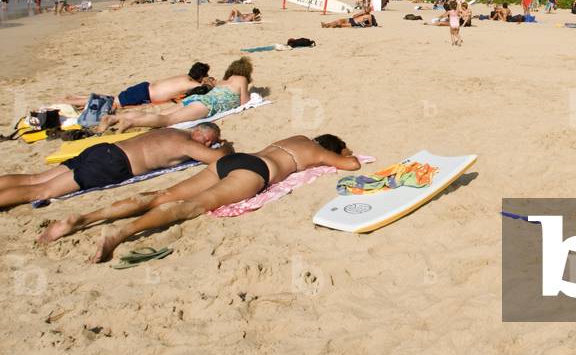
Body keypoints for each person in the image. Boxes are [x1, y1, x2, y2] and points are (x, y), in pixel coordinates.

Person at [37, 134, 360, 262]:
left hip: (230, 161)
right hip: (255, 171)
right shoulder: (317, 151)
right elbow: (350, 164)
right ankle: (120, 233)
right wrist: (341, 154)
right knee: (187, 208)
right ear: (328, 145)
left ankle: (85, 218)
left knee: (160, 195)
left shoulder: (296, 138)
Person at [0, 125, 225, 209]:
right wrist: (225, 148)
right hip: (112, 163)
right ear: (198, 132)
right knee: (41, 191)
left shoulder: (172, 131)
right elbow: (217, 159)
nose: (208, 144)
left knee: (35, 179)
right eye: (208, 139)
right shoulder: (185, 143)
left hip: (103, 149)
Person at [98, 57, 253, 132]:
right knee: (167, 120)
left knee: (163, 112)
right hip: (207, 105)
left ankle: (115, 118)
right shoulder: (242, 79)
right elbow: (244, 102)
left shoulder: (221, 81)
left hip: (197, 98)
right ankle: (129, 122)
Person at [64, 62, 214, 110]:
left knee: (114, 99)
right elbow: (208, 87)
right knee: (112, 103)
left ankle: (78, 98)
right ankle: (73, 101)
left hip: (144, 87)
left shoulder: (183, 77)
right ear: (201, 76)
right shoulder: (191, 84)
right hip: (144, 94)